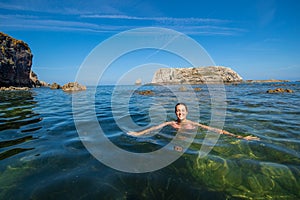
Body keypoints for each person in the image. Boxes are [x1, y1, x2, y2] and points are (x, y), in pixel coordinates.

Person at [127, 103, 260, 141]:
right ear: (175, 113)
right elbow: (153, 128)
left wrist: (240, 137)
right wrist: (138, 134)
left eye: (183, 110)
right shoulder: (170, 124)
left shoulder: (193, 124)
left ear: (187, 112)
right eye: (178, 111)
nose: (180, 113)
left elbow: (215, 130)